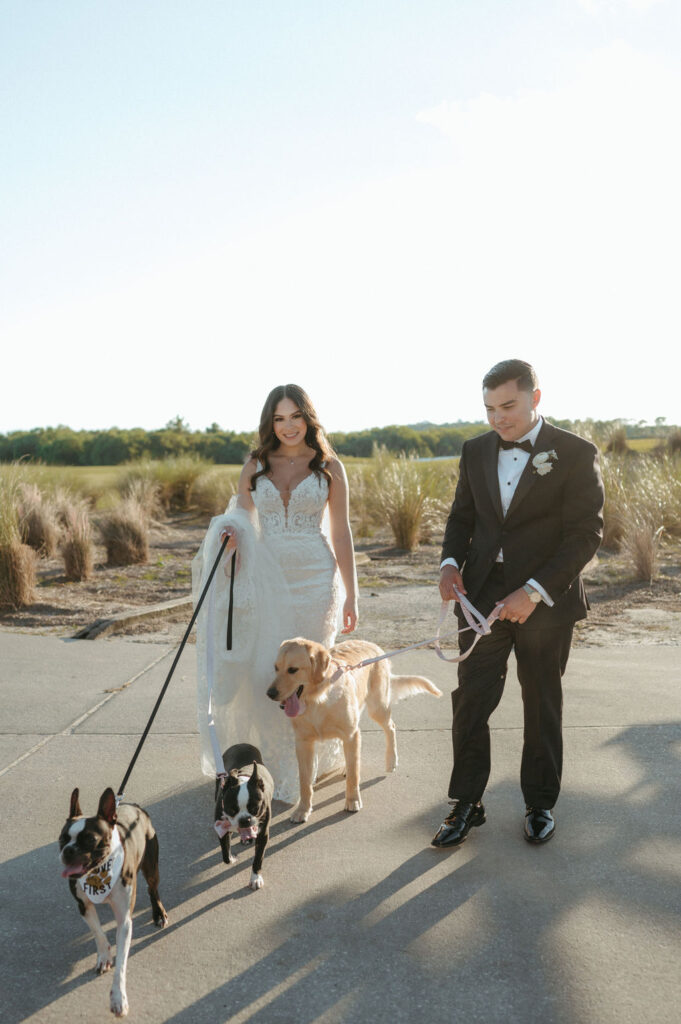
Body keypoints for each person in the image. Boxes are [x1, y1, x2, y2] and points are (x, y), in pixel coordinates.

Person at [431, 359, 604, 848]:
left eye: (507, 406)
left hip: (546, 600)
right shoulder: (475, 450)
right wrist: (448, 563)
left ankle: (540, 804)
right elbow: (461, 518)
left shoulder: (574, 452)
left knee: (541, 701)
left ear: (535, 397)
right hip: (480, 596)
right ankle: (466, 803)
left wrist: (532, 592)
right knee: (471, 700)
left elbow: (585, 534)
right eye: (489, 408)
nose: (498, 419)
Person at [192, 384, 358, 805]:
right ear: (270, 422)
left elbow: (340, 532)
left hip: (317, 581)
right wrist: (229, 536)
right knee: (268, 674)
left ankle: (314, 759)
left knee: (311, 676)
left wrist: (352, 594)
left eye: (296, 417)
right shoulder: (255, 465)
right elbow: (242, 521)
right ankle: (277, 768)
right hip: (266, 580)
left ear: (309, 418)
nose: (288, 426)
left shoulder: (329, 468)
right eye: (279, 418)